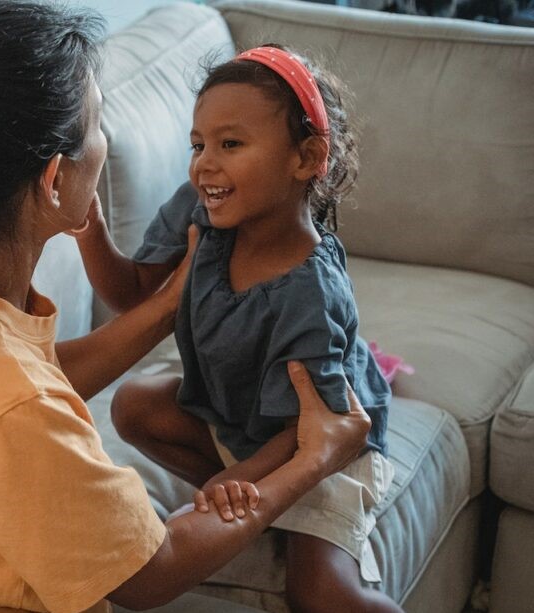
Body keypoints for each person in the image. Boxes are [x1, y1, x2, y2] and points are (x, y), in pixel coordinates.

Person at [0, 2, 371, 610]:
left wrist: (171, 303)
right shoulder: (14, 410)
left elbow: (27, 381)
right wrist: (316, 456)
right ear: (54, 179)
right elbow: (149, 574)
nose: (106, 143)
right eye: (98, 121)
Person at [72, 45, 400, 611]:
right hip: (237, 418)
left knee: (320, 593)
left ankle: (278, 516)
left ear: (306, 158)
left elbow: (313, 430)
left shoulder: (310, 292)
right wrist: (89, 230)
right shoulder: (203, 207)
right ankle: (258, 511)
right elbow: (131, 295)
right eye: (198, 144)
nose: (204, 163)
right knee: (134, 405)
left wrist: (244, 481)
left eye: (230, 145)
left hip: (318, 448)